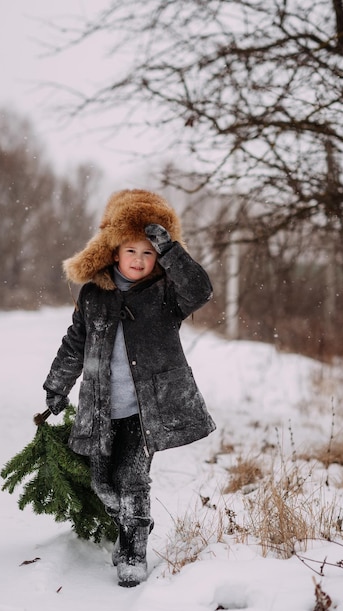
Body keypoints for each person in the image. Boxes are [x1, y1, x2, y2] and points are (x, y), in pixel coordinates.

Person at [43, 188, 216, 587]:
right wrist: (57, 386)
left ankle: (134, 550)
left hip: (146, 409)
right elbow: (75, 341)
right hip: (102, 406)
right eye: (131, 251)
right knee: (103, 482)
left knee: (133, 479)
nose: (139, 260)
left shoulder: (167, 295)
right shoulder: (93, 295)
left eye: (148, 253)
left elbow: (200, 290)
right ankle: (131, 525)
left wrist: (171, 250)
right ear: (114, 251)